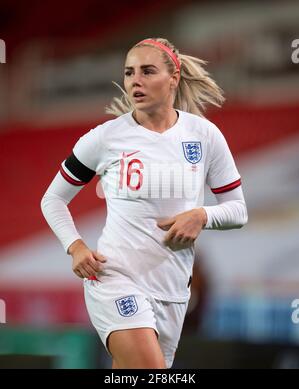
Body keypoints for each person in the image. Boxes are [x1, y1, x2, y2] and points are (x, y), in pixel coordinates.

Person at [41, 37, 248, 369]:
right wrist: (75, 246)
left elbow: (238, 209)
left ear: (173, 77)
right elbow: (53, 199)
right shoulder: (105, 138)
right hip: (114, 276)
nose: (135, 80)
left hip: (173, 290)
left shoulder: (204, 135)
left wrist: (201, 215)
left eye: (147, 71)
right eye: (129, 72)